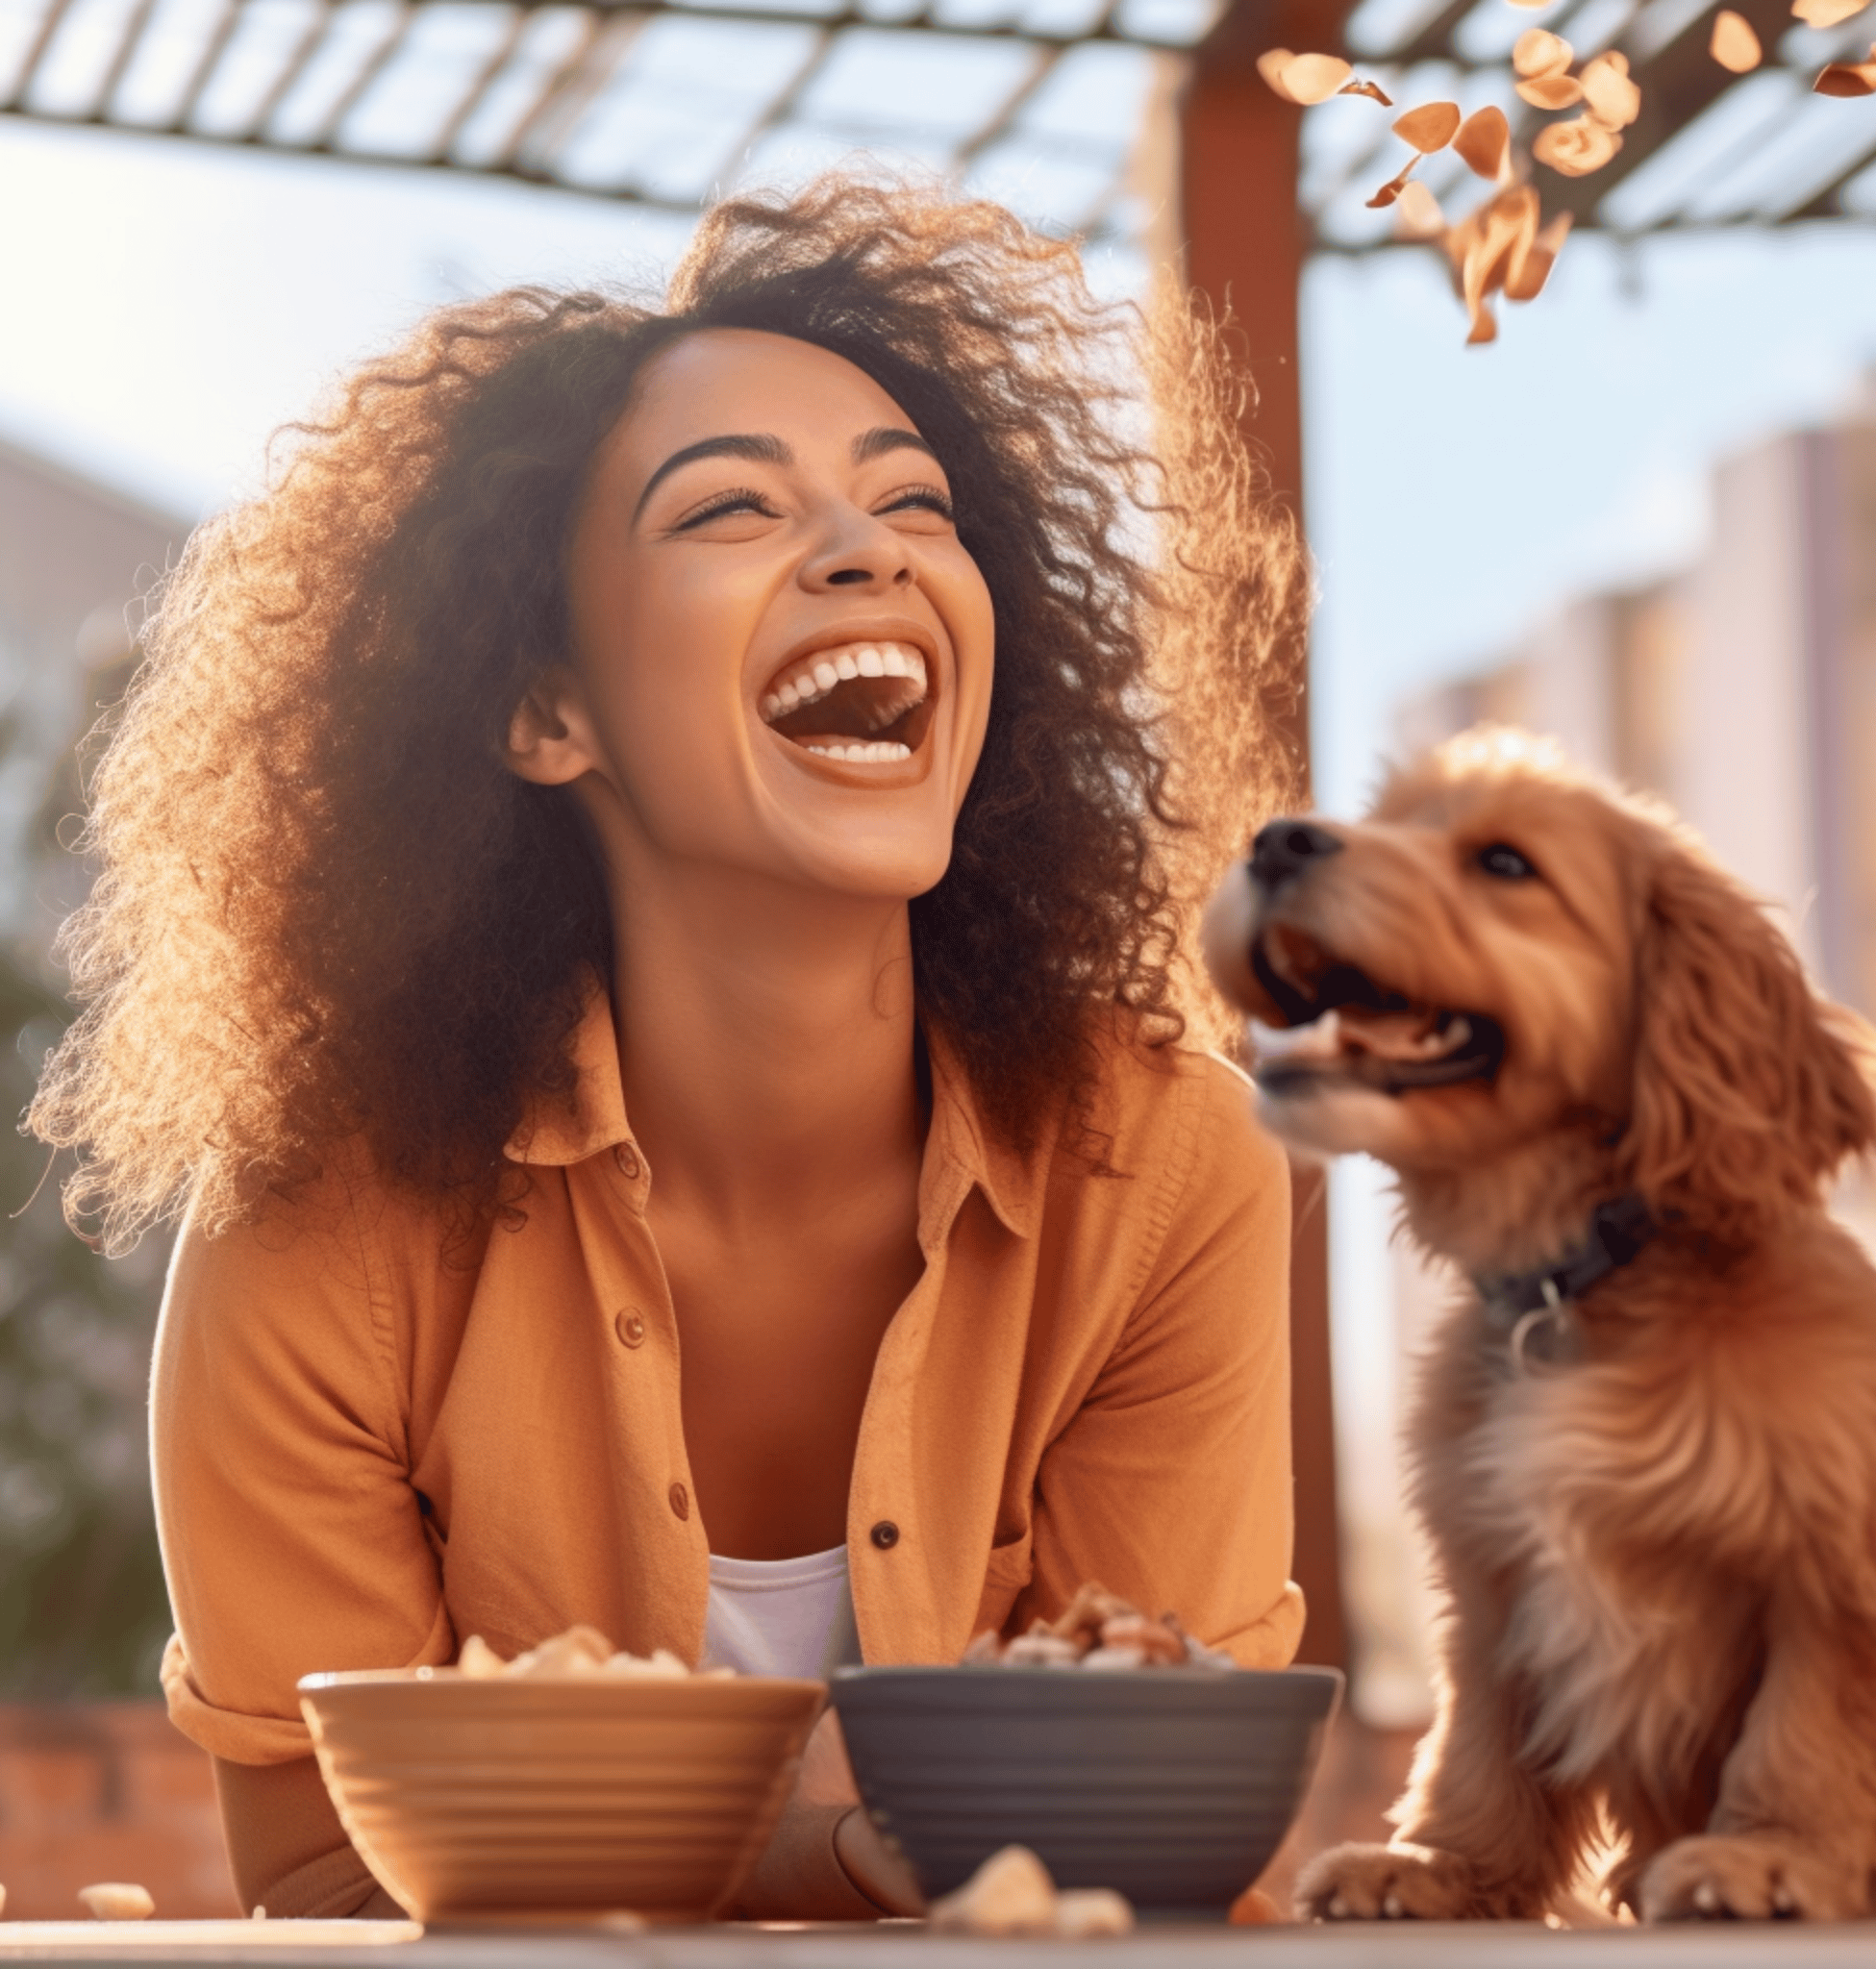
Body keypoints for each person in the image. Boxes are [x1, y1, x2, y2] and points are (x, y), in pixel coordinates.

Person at [30, 175, 1311, 1921]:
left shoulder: (1172, 1180)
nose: (873, 553)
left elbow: (1157, 1857)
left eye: (915, 504)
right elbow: (329, 1882)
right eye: (729, 510)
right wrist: (857, 1862)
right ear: (544, 708)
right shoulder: (311, 1219)